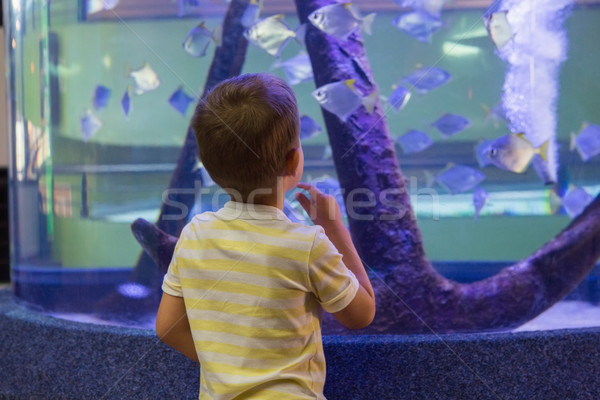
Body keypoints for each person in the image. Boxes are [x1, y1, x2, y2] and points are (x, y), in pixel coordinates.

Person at [155, 73, 376, 400]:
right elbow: (362, 314)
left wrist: (232, 368)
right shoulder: (306, 244)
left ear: (210, 166)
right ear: (294, 160)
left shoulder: (194, 235)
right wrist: (336, 229)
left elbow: (168, 327)